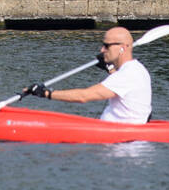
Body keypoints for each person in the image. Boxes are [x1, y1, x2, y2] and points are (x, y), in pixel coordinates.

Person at [22, 27, 152, 123]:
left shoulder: (127, 75)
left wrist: (45, 93)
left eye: (107, 46)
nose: (102, 50)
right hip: (111, 139)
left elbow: (83, 96)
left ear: (123, 47)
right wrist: (110, 69)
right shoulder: (135, 69)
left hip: (119, 143)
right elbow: (122, 86)